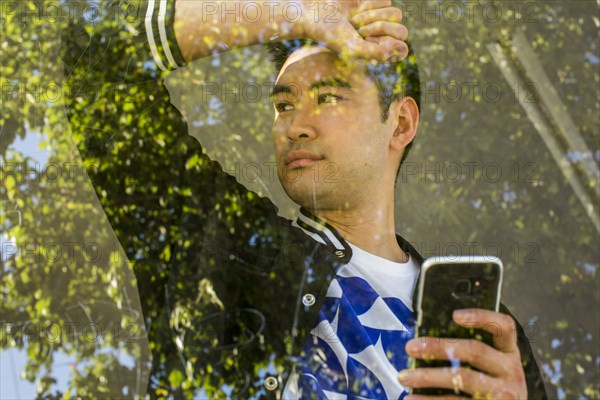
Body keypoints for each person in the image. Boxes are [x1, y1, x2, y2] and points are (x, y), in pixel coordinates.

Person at [62, 0, 547, 398]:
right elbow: (94, 59)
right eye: (283, 104)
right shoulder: (225, 247)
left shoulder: (485, 331)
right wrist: (293, 13)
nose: (295, 125)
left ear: (399, 123)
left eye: (329, 96)